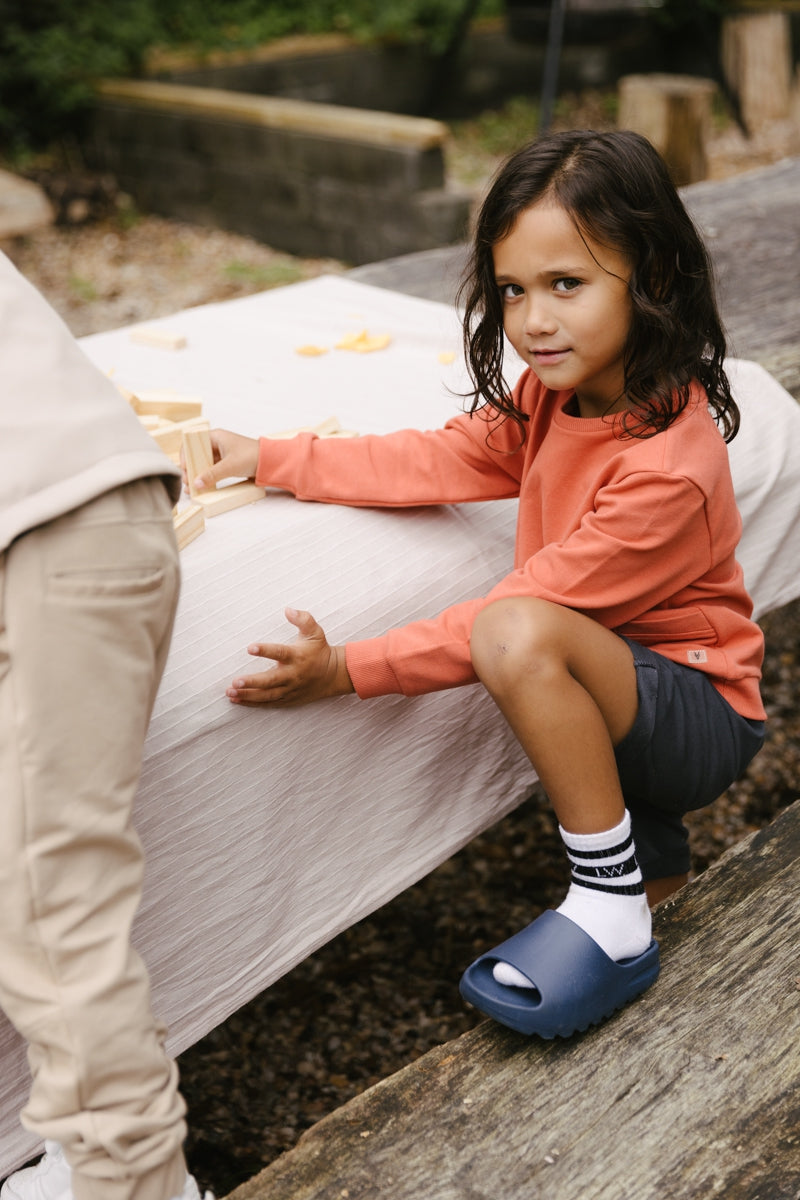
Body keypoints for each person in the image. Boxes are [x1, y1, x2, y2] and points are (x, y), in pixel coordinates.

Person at [186, 130, 766, 1038]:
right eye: (512, 290)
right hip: (626, 682)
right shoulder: (557, 392)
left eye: (566, 285)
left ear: (652, 276)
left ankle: (606, 911)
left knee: (515, 633)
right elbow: (446, 458)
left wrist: (349, 668)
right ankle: (647, 894)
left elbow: (513, 618)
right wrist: (275, 456)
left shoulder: (667, 469)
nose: (532, 320)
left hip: (700, 711)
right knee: (540, 655)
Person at [0, 250, 211, 1198]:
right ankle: (83, 1155)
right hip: (107, 520)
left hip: (51, 539)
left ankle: (137, 1181)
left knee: (53, 907)